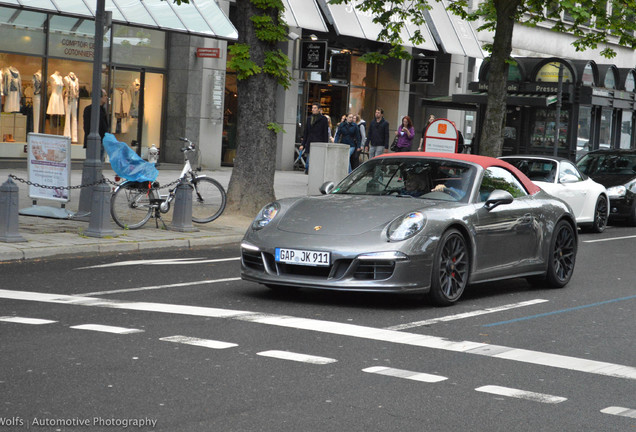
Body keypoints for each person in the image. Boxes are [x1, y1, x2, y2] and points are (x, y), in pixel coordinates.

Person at [299, 103, 329, 174]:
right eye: (312, 108)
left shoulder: (323, 119)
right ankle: (308, 170)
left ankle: (314, 172)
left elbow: (325, 133)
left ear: (319, 109)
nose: (313, 109)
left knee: (317, 159)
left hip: (319, 141)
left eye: (315, 108)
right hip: (310, 141)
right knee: (309, 158)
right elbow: (306, 132)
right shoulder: (309, 118)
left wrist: (325, 144)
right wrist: (303, 144)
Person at [83, 88, 109, 161]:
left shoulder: (102, 109)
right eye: (105, 96)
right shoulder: (89, 109)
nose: (106, 97)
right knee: (94, 160)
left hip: (102, 141)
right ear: (99, 97)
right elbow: (87, 127)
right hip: (94, 142)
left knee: (100, 160)